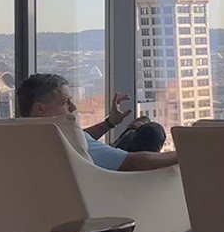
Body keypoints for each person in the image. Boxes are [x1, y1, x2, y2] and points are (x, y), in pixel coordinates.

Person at [16, 73, 178, 171]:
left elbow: (81, 137)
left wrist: (109, 123)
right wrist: (187, 153)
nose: (73, 107)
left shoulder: (19, 138)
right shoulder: (67, 141)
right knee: (153, 131)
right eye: (66, 102)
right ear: (41, 109)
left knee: (144, 128)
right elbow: (134, 162)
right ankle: (133, 131)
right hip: (119, 189)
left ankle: (132, 131)